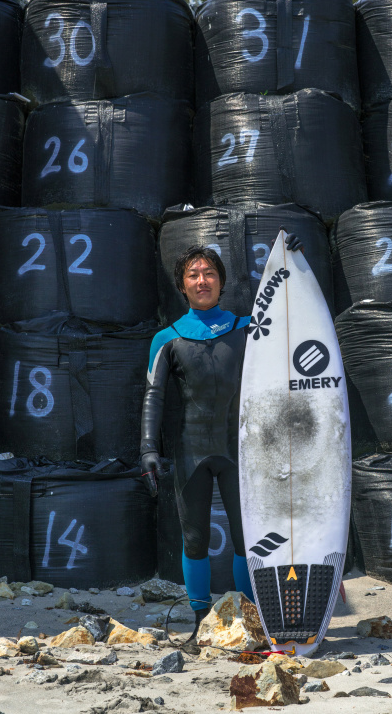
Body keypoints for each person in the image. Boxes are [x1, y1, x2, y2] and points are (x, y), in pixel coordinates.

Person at [140, 236, 302, 637]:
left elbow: (292, 315)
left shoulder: (247, 328)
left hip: (241, 450)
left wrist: (293, 263)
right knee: (194, 539)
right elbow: (154, 395)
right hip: (191, 450)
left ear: (221, 281)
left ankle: (248, 616)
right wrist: (147, 448)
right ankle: (200, 620)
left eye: (209, 273)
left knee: (248, 539)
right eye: (193, 275)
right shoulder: (168, 338)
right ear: (182, 286)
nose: (201, 280)